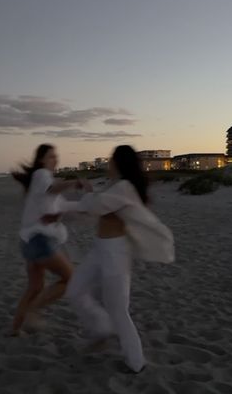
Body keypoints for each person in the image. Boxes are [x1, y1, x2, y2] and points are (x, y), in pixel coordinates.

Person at [43, 145, 175, 374]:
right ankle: (103, 328)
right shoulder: (116, 186)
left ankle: (136, 362)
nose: (108, 163)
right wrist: (62, 212)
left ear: (120, 163)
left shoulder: (124, 188)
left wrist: (71, 203)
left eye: (111, 160)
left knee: (118, 309)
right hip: (99, 249)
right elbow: (92, 209)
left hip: (116, 253)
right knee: (75, 289)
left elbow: (94, 205)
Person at [11, 144, 84, 336]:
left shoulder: (42, 182)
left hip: (28, 243)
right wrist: (73, 183)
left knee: (35, 288)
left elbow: (64, 205)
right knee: (70, 279)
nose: (55, 159)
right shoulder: (41, 175)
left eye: (56, 156)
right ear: (42, 160)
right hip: (41, 241)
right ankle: (33, 312)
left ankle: (14, 329)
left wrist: (90, 205)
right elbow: (52, 189)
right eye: (51, 156)